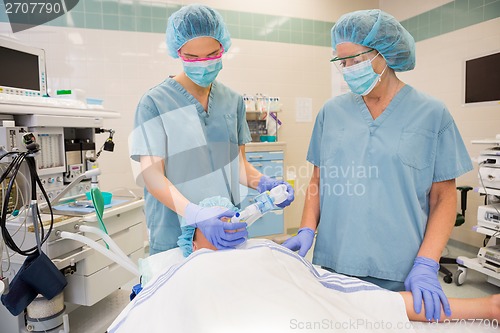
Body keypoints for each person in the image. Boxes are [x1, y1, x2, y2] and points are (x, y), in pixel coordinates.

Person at [282, 9, 473, 322]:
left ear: (383, 54)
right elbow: (318, 180)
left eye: (355, 60)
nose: (347, 69)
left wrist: (426, 262)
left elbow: (444, 198)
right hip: (335, 264)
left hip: (401, 269)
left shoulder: (432, 114)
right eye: (341, 62)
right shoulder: (331, 113)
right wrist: (306, 229)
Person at [129, 4, 294, 255]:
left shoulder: (232, 101)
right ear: (177, 52)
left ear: (223, 48)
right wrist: (194, 213)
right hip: (174, 231)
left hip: (225, 224)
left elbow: (236, 165)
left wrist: (265, 184)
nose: (202, 65)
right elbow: (152, 176)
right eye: (192, 58)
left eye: (211, 55)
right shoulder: (154, 103)